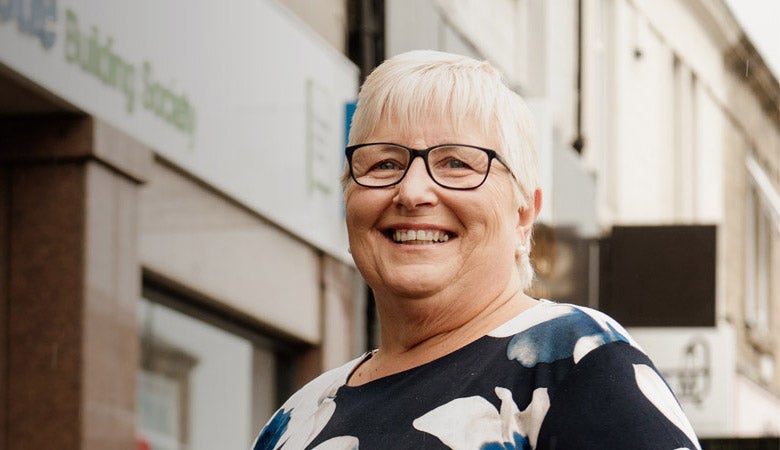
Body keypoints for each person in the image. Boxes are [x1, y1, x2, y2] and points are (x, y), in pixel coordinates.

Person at [253, 50, 701, 450]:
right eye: (384, 163)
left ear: (523, 214)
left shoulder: (578, 360)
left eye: (456, 163)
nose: (412, 192)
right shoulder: (296, 419)